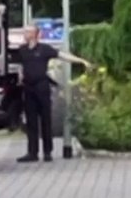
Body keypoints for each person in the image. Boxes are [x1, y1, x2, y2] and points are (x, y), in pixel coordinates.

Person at [16, 24, 92, 163]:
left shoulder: (45, 49)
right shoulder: (22, 50)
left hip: (42, 87)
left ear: (35, 34)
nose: (24, 34)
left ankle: (47, 152)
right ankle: (32, 152)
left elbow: (62, 56)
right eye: (24, 31)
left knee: (46, 119)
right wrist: (20, 75)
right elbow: (20, 65)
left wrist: (81, 61)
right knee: (31, 122)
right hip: (28, 88)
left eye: (27, 31)